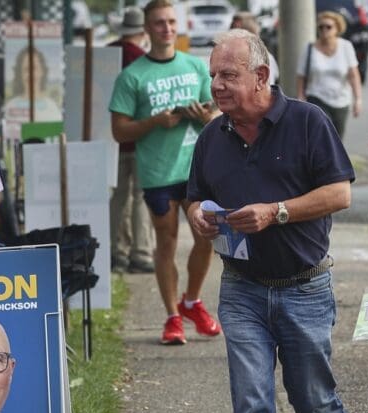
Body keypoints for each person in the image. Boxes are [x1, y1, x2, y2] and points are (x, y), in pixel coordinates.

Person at [187, 28, 367, 413]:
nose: (217, 85)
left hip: (304, 286)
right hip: (241, 289)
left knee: (314, 401)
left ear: (261, 76)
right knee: (252, 403)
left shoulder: (308, 121)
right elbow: (196, 197)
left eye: (228, 75)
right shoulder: (212, 137)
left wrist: (277, 211)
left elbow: (340, 192)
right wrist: (198, 216)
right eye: (214, 75)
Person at [109, 0, 222, 345]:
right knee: (166, 243)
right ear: (146, 28)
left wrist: (205, 116)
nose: (167, 28)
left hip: (196, 171)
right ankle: (172, 317)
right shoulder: (132, 76)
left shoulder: (196, 66)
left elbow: (217, 115)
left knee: (207, 237)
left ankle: (192, 301)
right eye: (159, 23)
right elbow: (119, 131)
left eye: (172, 22)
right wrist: (155, 121)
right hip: (157, 173)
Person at [108, 7, 155, 274]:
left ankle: (117, 252)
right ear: (143, 31)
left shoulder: (107, 54)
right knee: (140, 197)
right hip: (141, 139)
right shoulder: (143, 61)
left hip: (112, 139)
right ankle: (141, 253)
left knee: (117, 197)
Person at [295, 10, 362, 139]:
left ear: (337, 28)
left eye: (328, 27)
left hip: (341, 101)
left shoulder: (346, 47)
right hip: (316, 98)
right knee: (322, 134)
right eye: (321, 27)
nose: (324, 30)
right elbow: (301, 76)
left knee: (337, 139)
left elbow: (354, 75)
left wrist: (358, 99)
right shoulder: (309, 48)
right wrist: (300, 97)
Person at [2, 45, 63, 141]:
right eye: (26, 69)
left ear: (42, 71)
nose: (31, 74)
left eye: (35, 68)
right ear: (20, 73)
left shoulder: (53, 108)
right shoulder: (10, 107)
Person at [230, 11, 278, 86]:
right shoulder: (228, 57)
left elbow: (268, 87)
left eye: (239, 31)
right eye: (233, 29)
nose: (233, 35)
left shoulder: (264, 58)